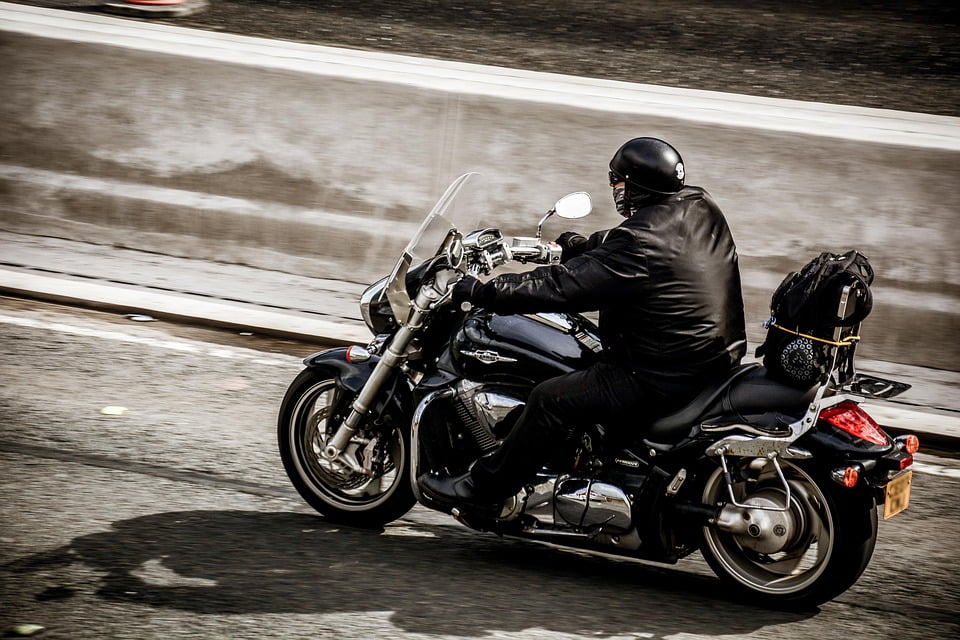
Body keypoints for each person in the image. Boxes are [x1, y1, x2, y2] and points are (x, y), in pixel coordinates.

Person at [419, 136, 747, 517]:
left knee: (549, 399)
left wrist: (485, 291)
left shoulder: (637, 244)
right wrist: (581, 245)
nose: (615, 191)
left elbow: (562, 287)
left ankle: (482, 488)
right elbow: (639, 245)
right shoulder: (698, 204)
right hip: (712, 359)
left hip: (657, 373)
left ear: (637, 185)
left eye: (618, 182)